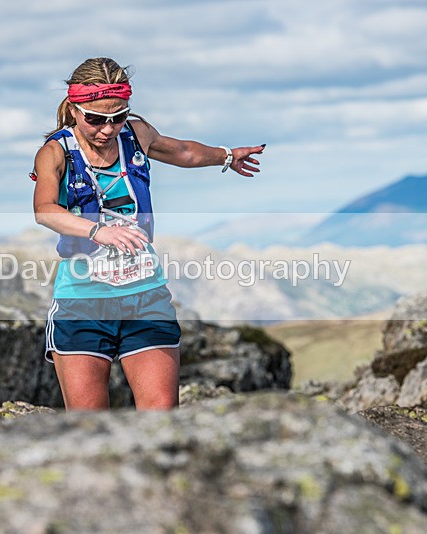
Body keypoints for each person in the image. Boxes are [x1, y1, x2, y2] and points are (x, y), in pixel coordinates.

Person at [32, 57, 264, 411]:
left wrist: (227, 156)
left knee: (160, 422)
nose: (107, 129)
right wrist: (98, 231)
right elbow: (44, 209)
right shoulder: (55, 153)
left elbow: (182, 151)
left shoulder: (136, 134)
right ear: (74, 109)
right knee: (89, 428)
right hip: (82, 302)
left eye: (118, 116)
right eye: (95, 119)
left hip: (146, 297)